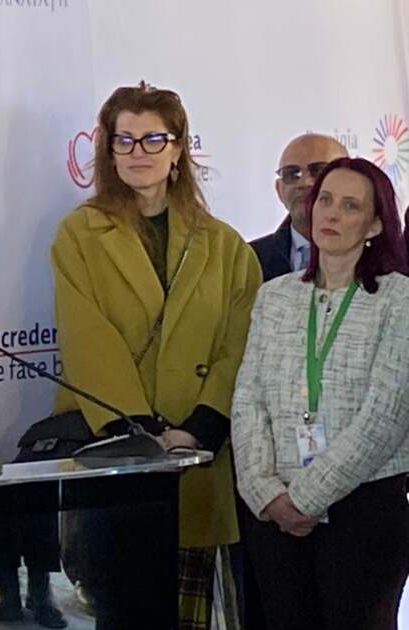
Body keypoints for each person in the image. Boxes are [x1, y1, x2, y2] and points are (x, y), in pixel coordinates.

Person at [50, 82, 261, 629]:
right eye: (124, 140)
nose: (137, 152)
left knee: (189, 615)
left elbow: (238, 344)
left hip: (197, 458)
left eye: (152, 139)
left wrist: (201, 427)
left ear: (178, 149)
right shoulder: (79, 235)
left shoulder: (226, 245)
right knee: (123, 610)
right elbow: (87, 339)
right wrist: (140, 432)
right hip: (118, 459)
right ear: (108, 149)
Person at [232, 157, 409, 629]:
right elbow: (248, 399)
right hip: (273, 514)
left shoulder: (399, 299)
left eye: (350, 206)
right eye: (325, 200)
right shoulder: (275, 295)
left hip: (363, 511)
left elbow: (385, 416)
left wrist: (306, 499)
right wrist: (263, 491)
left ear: (375, 224)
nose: (330, 213)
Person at [250, 134, 348, 281]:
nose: (305, 183)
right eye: (292, 174)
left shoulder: (380, 258)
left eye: (319, 171)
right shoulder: (250, 260)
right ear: (279, 189)